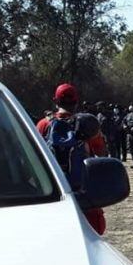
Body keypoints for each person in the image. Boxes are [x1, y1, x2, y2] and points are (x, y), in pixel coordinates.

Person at [36, 83, 108, 235]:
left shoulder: (43, 124)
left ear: (55, 101)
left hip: (53, 193)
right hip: (83, 193)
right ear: (76, 101)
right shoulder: (87, 124)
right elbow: (102, 154)